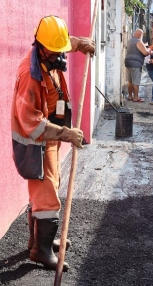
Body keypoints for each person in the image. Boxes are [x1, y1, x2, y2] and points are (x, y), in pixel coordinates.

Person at [11, 15, 94, 271]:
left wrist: (80, 43)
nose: (60, 53)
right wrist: (66, 133)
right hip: (36, 141)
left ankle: (39, 241)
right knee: (46, 196)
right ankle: (41, 252)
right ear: (41, 46)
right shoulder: (30, 75)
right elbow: (31, 123)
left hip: (51, 137)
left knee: (48, 187)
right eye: (55, 50)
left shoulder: (49, 50)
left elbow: (63, 42)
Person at [124, 29, 149, 102]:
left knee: (130, 81)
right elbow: (145, 53)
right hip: (136, 64)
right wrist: (148, 51)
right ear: (140, 35)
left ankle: (130, 96)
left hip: (128, 62)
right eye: (142, 35)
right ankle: (136, 97)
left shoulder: (130, 40)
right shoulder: (138, 41)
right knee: (136, 81)